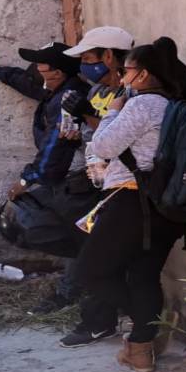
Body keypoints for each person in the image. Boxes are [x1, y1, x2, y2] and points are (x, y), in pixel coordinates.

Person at [72, 37, 186, 372]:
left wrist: (113, 112)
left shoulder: (142, 106)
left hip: (132, 201)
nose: (120, 77)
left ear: (141, 75)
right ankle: (141, 349)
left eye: (125, 71)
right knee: (143, 275)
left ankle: (149, 325)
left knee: (90, 271)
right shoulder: (177, 102)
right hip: (166, 206)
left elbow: (102, 144)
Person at [0, 41, 108, 318]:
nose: (35, 69)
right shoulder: (58, 91)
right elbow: (30, 85)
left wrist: (26, 180)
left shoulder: (68, 99)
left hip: (78, 180)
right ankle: (80, 292)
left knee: (77, 237)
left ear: (56, 72)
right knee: (78, 237)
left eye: (41, 65)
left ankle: (77, 296)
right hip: (71, 180)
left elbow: (55, 149)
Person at [52, 25, 137, 349]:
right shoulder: (96, 92)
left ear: (110, 57)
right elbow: (89, 137)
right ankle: (110, 319)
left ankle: (110, 320)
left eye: (90, 58)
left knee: (98, 258)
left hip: (122, 185)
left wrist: (87, 116)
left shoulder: (129, 95)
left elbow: (115, 138)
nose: (85, 66)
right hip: (96, 181)